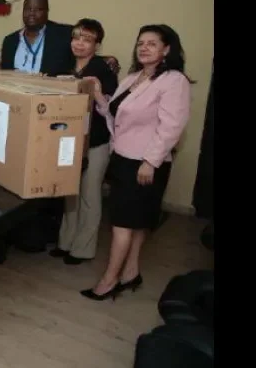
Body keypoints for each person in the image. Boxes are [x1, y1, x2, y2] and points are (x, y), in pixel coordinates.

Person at [80, 24, 192, 301]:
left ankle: (108, 281)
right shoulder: (133, 78)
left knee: (122, 223)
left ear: (166, 49)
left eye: (152, 43)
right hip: (123, 158)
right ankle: (131, 273)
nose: (144, 47)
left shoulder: (173, 80)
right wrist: (98, 97)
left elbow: (171, 126)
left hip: (144, 164)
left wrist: (150, 162)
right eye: (141, 42)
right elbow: (116, 114)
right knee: (137, 222)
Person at [51, 19, 118, 265]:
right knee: (70, 193)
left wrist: (97, 91)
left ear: (97, 45)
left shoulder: (104, 70)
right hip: (66, 140)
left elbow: (112, 109)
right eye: (76, 37)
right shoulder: (63, 64)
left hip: (96, 142)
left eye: (86, 39)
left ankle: (83, 249)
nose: (79, 43)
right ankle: (65, 242)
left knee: (90, 194)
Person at [0, 0, 73, 76]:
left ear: (47, 12)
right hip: (15, 88)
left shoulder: (64, 36)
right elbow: (5, 74)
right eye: (28, 9)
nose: (32, 13)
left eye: (38, 9)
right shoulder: (10, 41)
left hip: (48, 88)